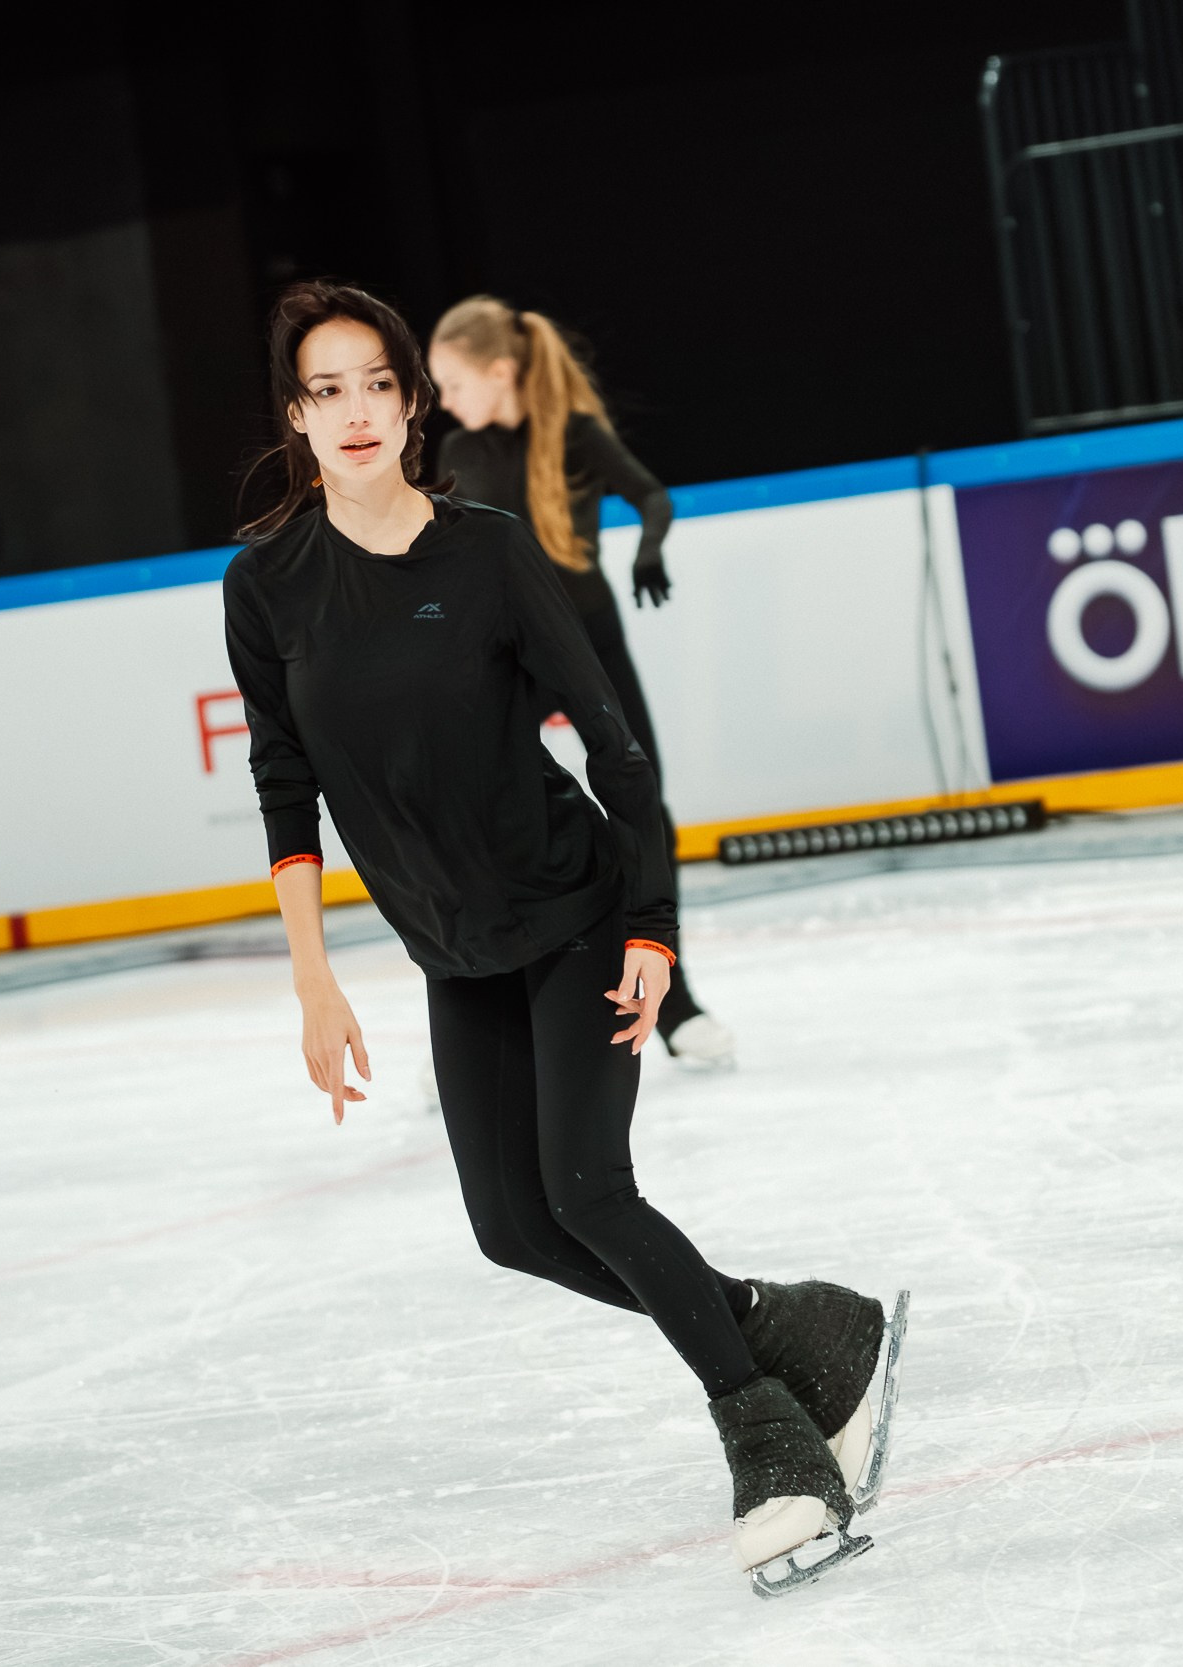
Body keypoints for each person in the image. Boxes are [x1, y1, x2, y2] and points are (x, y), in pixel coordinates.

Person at [221, 279, 904, 1595]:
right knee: (512, 1226)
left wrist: (653, 924)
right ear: (296, 414)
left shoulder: (483, 552)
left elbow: (614, 743)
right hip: (452, 946)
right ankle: (789, 1327)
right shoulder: (266, 587)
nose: (356, 410)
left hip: (577, 908)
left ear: (414, 404)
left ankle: (769, 1438)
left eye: (378, 382)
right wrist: (311, 979)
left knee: (586, 1185)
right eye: (327, 389)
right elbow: (281, 785)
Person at [426, 296, 736, 1072]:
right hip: (511, 658)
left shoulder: (573, 433)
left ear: (500, 372)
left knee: (643, 811)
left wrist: (649, 549)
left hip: (591, 646)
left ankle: (675, 999)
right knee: (476, 812)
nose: (445, 403)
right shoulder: (461, 449)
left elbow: (653, 496)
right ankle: (489, 1011)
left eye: (453, 383)